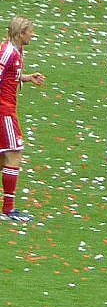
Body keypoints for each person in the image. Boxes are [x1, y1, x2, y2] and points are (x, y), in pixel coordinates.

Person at [0, 17, 45, 223]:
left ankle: (7, 208)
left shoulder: (16, 51)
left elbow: (10, 76)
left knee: (3, 159)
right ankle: (8, 210)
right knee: (14, 155)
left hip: (8, 109)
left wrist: (26, 78)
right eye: (30, 32)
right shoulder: (8, 52)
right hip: (4, 111)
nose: (32, 35)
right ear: (20, 34)